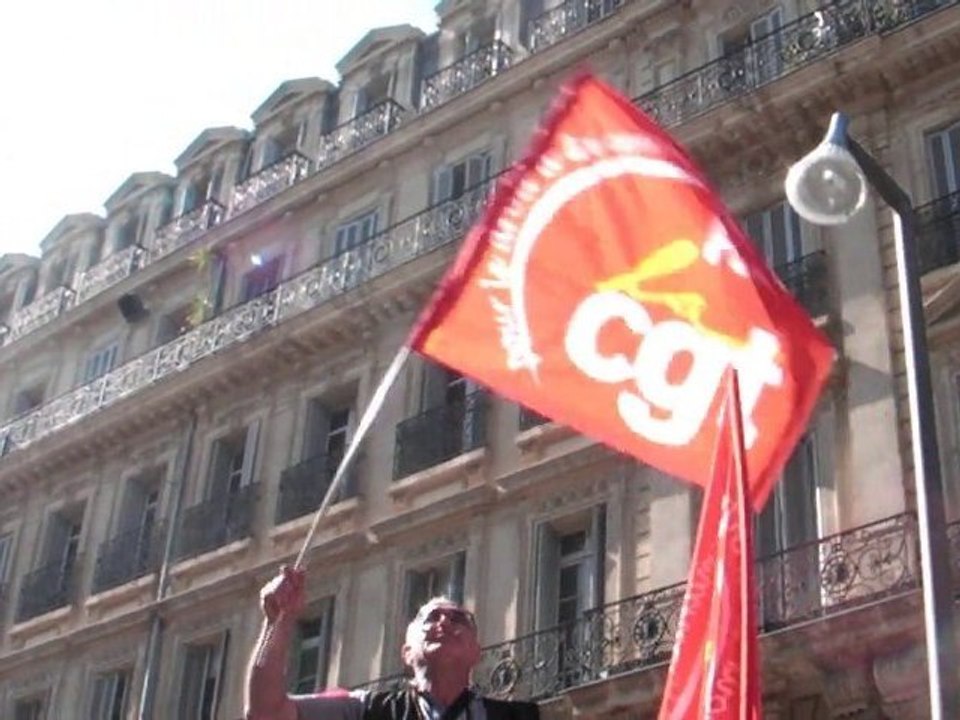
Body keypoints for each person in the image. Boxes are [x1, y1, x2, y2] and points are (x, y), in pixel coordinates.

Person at [246, 565, 539, 720]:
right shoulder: (366, 711)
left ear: (476, 652)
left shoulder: (519, 717)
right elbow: (266, 712)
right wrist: (277, 622)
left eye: (458, 619)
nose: (445, 623)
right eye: (431, 618)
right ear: (406, 651)